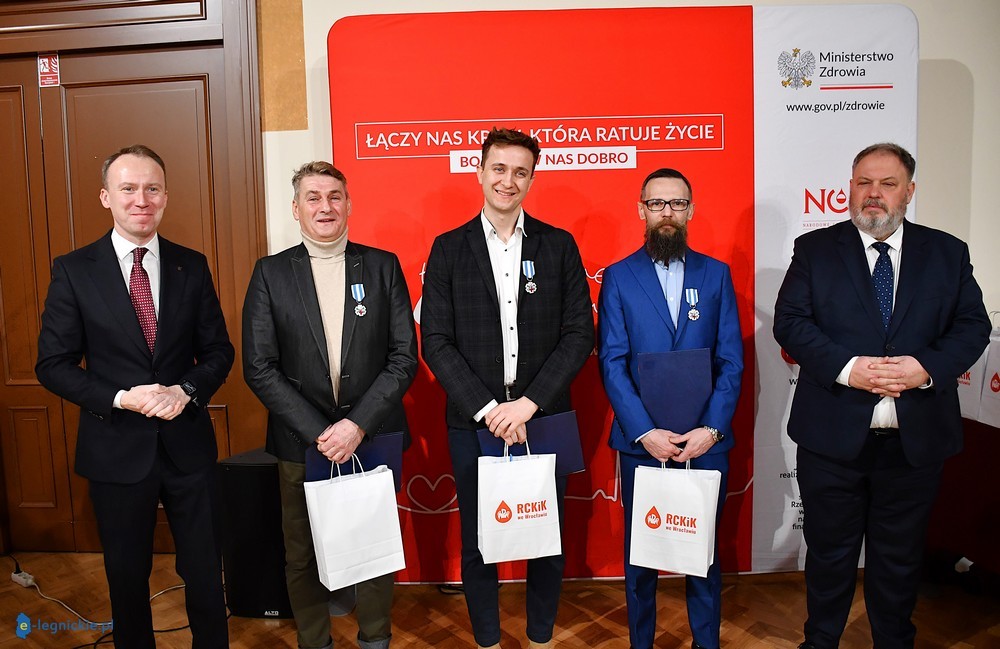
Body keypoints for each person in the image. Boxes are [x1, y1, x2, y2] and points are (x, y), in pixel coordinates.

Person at [773, 143, 991, 649]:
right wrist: (850, 370)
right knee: (828, 557)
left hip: (914, 444)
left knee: (899, 561)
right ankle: (821, 641)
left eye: (887, 184)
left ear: (909, 192)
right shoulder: (815, 250)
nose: (873, 194)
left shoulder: (947, 252)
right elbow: (791, 323)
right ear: (850, 188)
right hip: (832, 442)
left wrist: (924, 369)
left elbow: (972, 326)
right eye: (863, 183)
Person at [35, 144, 234, 648]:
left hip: (188, 448)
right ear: (106, 196)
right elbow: (53, 365)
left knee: (206, 571)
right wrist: (121, 397)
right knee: (126, 577)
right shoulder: (74, 270)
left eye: (151, 188)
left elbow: (219, 351)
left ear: (165, 196)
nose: (141, 199)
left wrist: (185, 390)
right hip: (116, 448)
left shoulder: (192, 265)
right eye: (128, 188)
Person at [420, 127, 594, 649]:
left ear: (532, 180)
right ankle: (488, 641)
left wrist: (527, 404)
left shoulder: (558, 245)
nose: (508, 181)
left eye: (521, 172)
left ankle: (540, 638)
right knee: (480, 539)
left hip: (544, 417)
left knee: (546, 536)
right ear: (480, 173)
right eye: (499, 169)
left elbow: (579, 334)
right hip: (474, 421)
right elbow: (436, 341)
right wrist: (491, 409)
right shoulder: (448, 249)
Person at [242, 161, 417, 649]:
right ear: (296, 209)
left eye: (334, 196)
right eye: (313, 198)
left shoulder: (382, 267)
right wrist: (323, 432)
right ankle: (315, 641)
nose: (325, 207)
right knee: (301, 554)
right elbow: (258, 366)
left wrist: (356, 426)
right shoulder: (270, 273)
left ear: (349, 205)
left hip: (372, 434)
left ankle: (375, 638)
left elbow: (404, 356)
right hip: (301, 441)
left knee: (375, 548)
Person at [597, 168, 743, 649]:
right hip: (643, 445)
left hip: (705, 443)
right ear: (641, 209)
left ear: (691, 211)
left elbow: (731, 361)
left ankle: (706, 643)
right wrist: (644, 431)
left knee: (703, 556)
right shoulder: (619, 277)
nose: (667, 212)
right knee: (641, 556)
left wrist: (711, 430)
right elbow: (611, 362)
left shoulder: (716, 274)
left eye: (677, 203)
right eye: (657, 203)